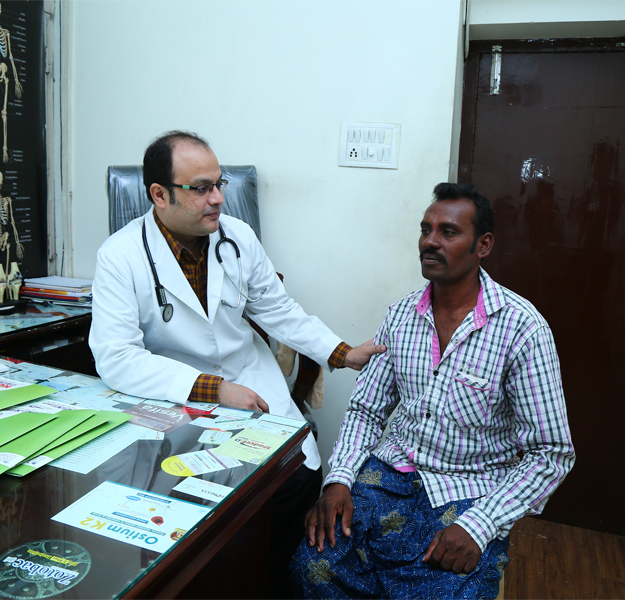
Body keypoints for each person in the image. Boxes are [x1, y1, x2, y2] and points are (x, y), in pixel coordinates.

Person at [89, 130, 385, 598]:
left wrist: (342, 352)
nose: (218, 198)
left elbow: (279, 311)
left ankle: (271, 587)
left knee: (295, 479)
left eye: (219, 183)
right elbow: (116, 357)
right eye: (201, 188)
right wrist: (214, 389)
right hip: (173, 398)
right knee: (188, 500)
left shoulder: (237, 238)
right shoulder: (119, 256)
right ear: (159, 194)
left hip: (250, 380)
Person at [291, 183, 575, 599]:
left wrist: (479, 526)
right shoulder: (401, 316)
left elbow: (551, 453)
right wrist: (339, 480)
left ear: (483, 245)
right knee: (313, 565)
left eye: (448, 232)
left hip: (471, 488)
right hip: (389, 476)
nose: (430, 241)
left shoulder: (522, 329)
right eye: (426, 230)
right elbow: (367, 410)